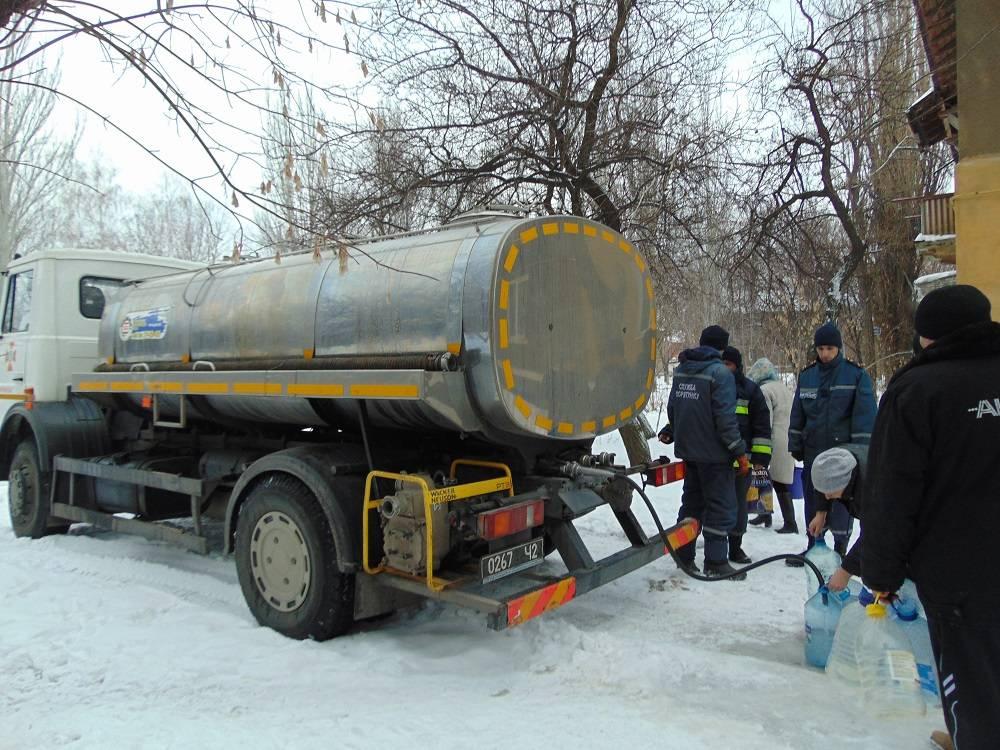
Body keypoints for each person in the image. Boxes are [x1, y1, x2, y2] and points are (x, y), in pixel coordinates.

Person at [861, 285, 1000, 750]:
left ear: (927, 337)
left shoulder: (918, 390)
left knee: (974, 682)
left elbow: (892, 493)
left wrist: (881, 570)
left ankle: (973, 733)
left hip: (960, 575)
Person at [658, 325, 749, 579]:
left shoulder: (682, 370)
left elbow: (673, 410)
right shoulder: (720, 374)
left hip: (690, 453)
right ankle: (716, 562)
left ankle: (684, 555)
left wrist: (675, 432)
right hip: (716, 456)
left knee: (692, 503)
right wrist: (739, 452)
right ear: (722, 347)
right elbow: (725, 420)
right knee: (720, 507)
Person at [786, 321, 876, 567]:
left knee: (841, 505)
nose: (824, 354)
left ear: (839, 349)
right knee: (813, 501)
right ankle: (814, 545)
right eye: (821, 348)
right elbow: (798, 413)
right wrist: (795, 441)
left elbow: (865, 417)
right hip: (814, 452)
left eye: (830, 349)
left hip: (843, 455)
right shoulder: (807, 376)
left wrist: (860, 453)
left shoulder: (855, 375)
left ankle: (841, 549)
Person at [720, 347, 771, 564]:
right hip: (716, 460)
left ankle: (735, 547)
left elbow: (761, 427)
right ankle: (716, 548)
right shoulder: (713, 387)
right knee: (717, 504)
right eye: (721, 364)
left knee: (738, 505)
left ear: (738, 366)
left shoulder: (750, 390)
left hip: (742, 462)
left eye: (728, 364)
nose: (724, 369)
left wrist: (760, 459)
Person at [746, 357, 798, 533]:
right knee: (773, 479)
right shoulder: (783, 388)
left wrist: (758, 443)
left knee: (770, 479)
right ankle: (765, 513)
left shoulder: (764, 390)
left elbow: (764, 420)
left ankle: (789, 523)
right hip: (788, 439)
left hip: (773, 440)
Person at [807, 445, 867, 591]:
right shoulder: (838, 461)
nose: (827, 497)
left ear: (845, 483)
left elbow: (874, 535)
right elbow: (825, 480)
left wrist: (845, 571)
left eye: (831, 492)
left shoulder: (870, 489)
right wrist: (821, 512)